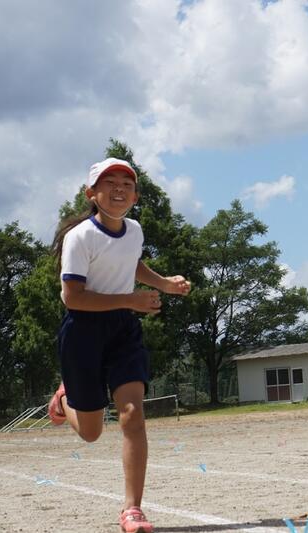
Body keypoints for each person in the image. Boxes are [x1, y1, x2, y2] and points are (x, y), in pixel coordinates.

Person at [48, 157, 191, 533]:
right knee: (91, 432)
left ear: (136, 196)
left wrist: (164, 284)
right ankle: (64, 400)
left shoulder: (135, 231)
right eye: (109, 183)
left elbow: (132, 264)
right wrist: (131, 299)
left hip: (123, 330)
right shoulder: (80, 237)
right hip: (83, 331)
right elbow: (74, 298)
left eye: (126, 184)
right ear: (91, 193)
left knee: (132, 414)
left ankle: (133, 509)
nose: (118, 189)